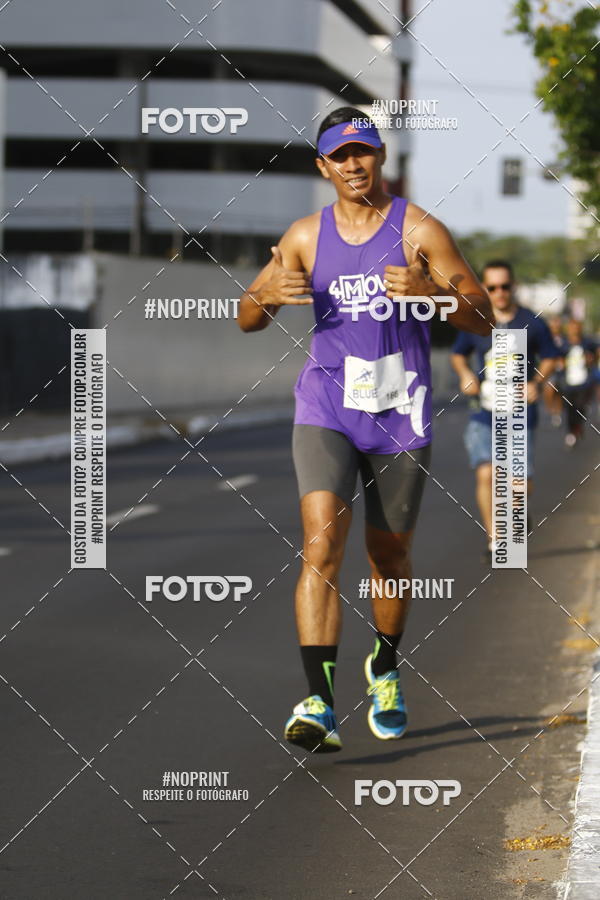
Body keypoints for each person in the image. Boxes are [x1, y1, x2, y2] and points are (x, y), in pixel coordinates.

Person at [238, 106, 492, 753]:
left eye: (365, 152)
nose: (355, 164)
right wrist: (267, 296)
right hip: (325, 407)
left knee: (389, 557)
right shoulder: (302, 236)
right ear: (323, 167)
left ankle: (383, 664)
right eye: (341, 156)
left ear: (381, 157)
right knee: (321, 547)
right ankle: (319, 700)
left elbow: (483, 316)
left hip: (400, 414)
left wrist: (431, 292)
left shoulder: (419, 228)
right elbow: (247, 314)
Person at [451, 261, 558, 563]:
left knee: (518, 483)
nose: (499, 293)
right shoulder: (477, 321)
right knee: (487, 472)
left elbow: (551, 357)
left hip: (520, 412)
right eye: (492, 287)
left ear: (514, 286)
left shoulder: (532, 322)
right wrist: (464, 374)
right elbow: (459, 355)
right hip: (484, 410)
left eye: (505, 287)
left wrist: (537, 382)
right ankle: (495, 538)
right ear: (484, 288)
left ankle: (518, 511)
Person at [561, 318, 597, 447]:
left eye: (577, 327)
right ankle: (571, 431)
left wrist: (592, 359)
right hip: (568, 382)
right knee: (570, 409)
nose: (574, 330)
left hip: (584, 381)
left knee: (581, 406)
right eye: (572, 327)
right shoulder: (563, 343)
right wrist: (560, 363)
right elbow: (557, 357)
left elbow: (596, 353)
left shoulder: (587, 343)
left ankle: (577, 429)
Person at [543, 314, 567, 427]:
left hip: (562, 371)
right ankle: (551, 410)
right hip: (550, 371)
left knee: (559, 393)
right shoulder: (546, 339)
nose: (555, 326)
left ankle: (558, 412)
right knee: (549, 390)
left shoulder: (564, 339)